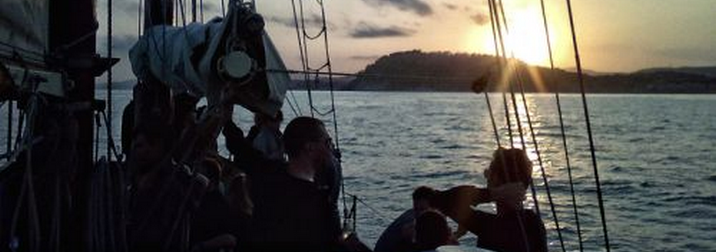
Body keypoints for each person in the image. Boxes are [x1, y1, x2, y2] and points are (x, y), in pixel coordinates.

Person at [223, 116, 367, 251]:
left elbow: (239, 148)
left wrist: (226, 120)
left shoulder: (266, 171)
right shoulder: (317, 204)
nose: (331, 149)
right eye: (327, 143)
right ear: (310, 147)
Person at [439, 148, 547, 252]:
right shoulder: (534, 223)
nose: (486, 176)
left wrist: (491, 194)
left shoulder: (489, 226)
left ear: (495, 179)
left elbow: (438, 199)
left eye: (488, 173)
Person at [374, 186, 437, 252]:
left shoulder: (425, 218)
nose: (419, 213)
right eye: (416, 208)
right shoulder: (410, 223)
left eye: (422, 209)